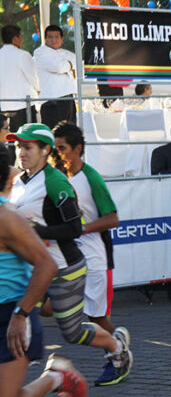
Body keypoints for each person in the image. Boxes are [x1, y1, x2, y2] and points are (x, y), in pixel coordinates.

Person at [7, 123, 132, 385]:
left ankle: (116, 346)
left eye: (28, 147)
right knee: (21, 316)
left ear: (45, 150)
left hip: (65, 267)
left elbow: (74, 228)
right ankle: (16, 372)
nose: (22, 152)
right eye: (19, 146)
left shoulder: (55, 181)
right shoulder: (18, 180)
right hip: (36, 269)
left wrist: (38, 232)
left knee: (72, 332)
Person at [0, 144, 89, 397]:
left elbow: (46, 264)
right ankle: (57, 377)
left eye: (27, 147)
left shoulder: (7, 217)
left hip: (10, 316)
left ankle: (55, 378)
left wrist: (20, 315)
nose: (22, 152)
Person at [52, 122, 123, 385]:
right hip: (70, 257)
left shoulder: (91, 177)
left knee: (97, 317)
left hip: (95, 257)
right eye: (55, 148)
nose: (58, 153)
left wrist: (80, 229)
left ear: (78, 149)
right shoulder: (60, 177)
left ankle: (117, 357)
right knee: (48, 307)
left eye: (62, 149)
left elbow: (113, 218)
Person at [33, 26, 76, 129]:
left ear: (62, 39)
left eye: (56, 37)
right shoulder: (40, 52)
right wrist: (70, 66)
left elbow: (79, 64)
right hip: (51, 101)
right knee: (53, 135)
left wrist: (67, 67)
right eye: (50, 37)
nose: (53, 40)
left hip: (69, 98)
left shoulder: (67, 53)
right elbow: (59, 67)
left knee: (70, 134)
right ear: (45, 39)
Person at [0, 25, 39, 132]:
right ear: (15, 39)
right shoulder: (23, 55)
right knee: (26, 139)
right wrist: (38, 90)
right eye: (21, 37)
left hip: (4, 105)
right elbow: (33, 78)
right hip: (23, 105)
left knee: (8, 140)